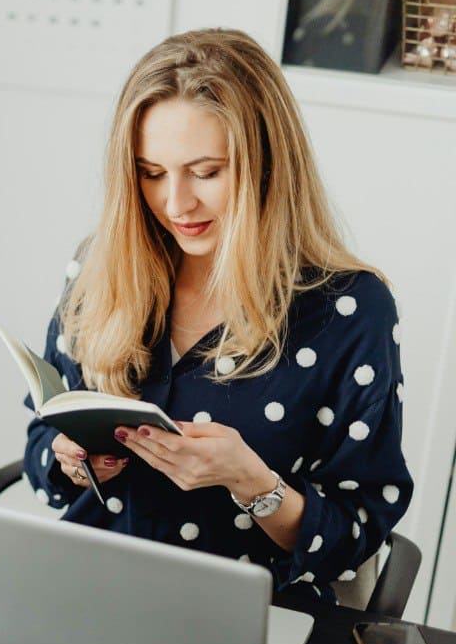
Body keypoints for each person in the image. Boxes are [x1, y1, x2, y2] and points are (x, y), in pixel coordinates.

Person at [22, 29, 412, 604]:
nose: (176, 204)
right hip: (88, 591)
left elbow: (356, 530)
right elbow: (40, 448)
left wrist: (249, 481)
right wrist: (74, 464)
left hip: (244, 613)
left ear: (267, 167)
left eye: (205, 172)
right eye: (151, 173)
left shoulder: (349, 310)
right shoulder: (101, 268)